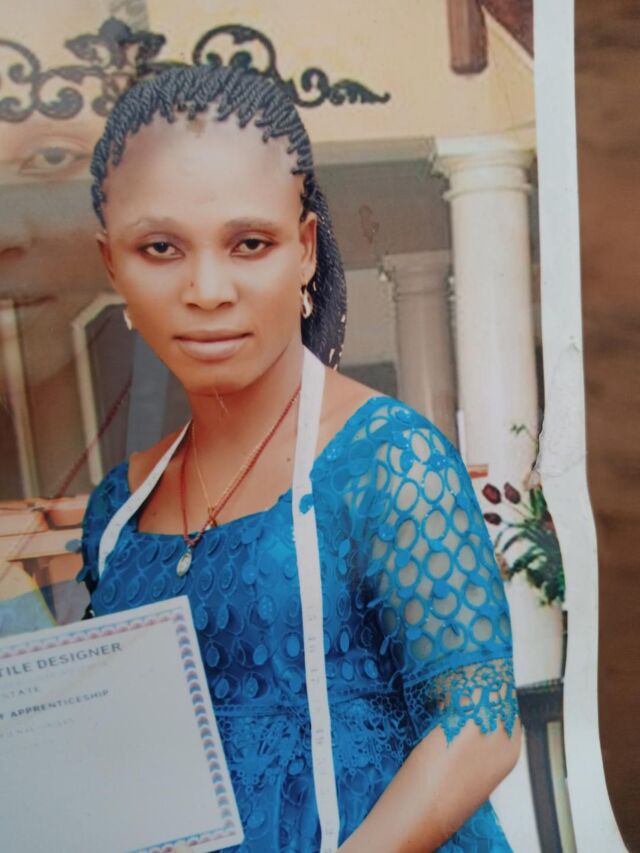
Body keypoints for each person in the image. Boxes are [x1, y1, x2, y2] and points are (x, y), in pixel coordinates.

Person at [77, 63, 522, 852]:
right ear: (113, 263)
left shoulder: (387, 460)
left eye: (250, 243)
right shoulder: (117, 510)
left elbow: (480, 725)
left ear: (306, 249)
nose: (207, 289)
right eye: (161, 247)